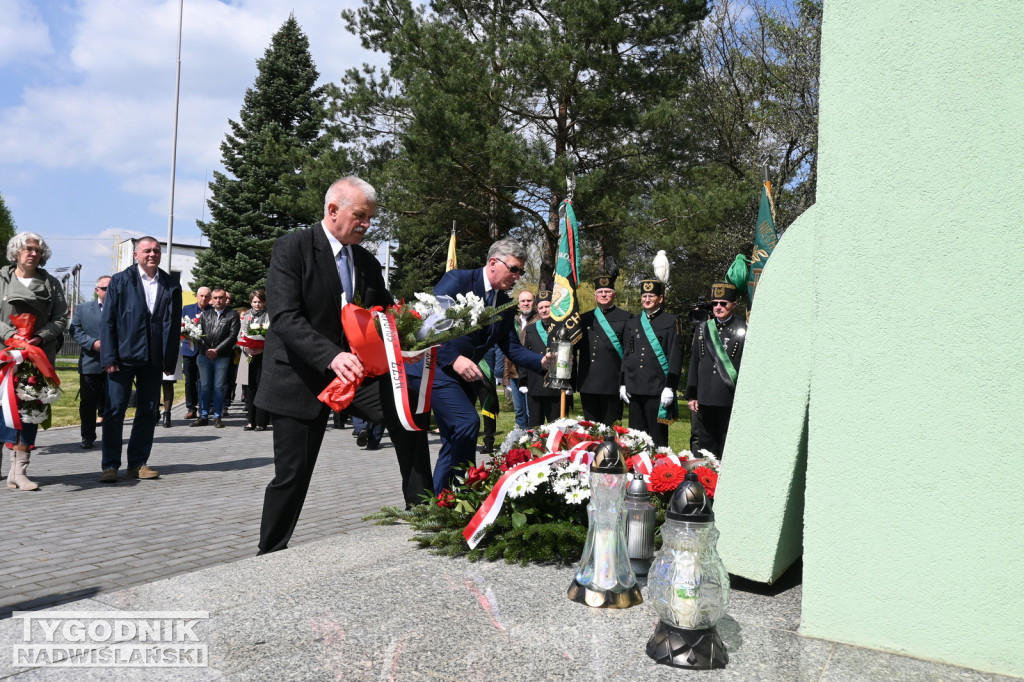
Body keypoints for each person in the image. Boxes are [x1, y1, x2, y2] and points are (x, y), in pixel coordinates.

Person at [256, 176, 433, 554]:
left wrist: (408, 345)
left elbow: (386, 313)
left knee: (409, 414)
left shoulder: (366, 261)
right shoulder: (293, 248)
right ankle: (268, 553)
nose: (366, 225)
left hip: (356, 375)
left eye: (370, 218)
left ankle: (423, 514)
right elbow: (285, 317)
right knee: (292, 475)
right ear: (333, 210)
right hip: (300, 377)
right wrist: (331, 356)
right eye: (360, 216)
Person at [430, 238, 549, 493]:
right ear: (494, 262)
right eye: (514, 269)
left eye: (521, 271)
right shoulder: (458, 281)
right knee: (467, 424)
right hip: (438, 371)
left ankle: (440, 498)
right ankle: (465, 489)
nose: (517, 276)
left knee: (454, 440)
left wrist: (541, 361)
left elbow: (513, 348)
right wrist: (454, 358)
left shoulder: (504, 303)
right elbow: (430, 323)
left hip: (465, 379)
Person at [100, 236, 182, 483]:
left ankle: (138, 463)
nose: (152, 254)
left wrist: (168, 360)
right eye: (147, 250)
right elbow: (109, 321)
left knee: (148, 411)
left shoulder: (170, 284)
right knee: (114, 411)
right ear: (136, 255)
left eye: (156, 250)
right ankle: (110, 465)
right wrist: (109, 356)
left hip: (153, 359)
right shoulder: (120, 281)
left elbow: (173, 324)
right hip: (122, 358)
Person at [0, 233, 68, 490]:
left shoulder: (51, 283)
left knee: (30, 411)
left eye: (37, 250)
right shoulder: (2, 278)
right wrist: (11, 336)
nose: (33, 253)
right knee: (3, 410)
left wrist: (38, 338)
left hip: (36, 359)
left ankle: (19, 471)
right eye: (27, 249)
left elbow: (61, 318)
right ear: (16, 252)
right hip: (4, 357)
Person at [685, 282, 747, 458]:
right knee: (706, 444)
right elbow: (695, 361)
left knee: (727, 443)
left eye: (723, 303)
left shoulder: (744, 328)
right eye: (715, 303)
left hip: (728, 397)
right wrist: (692, 394)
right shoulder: (703, 327)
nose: (718, 307)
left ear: (734, 305)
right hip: (705, 396)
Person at [619, 278, 682, 448]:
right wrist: (623, 383)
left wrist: (670, 386)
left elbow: (675, 355)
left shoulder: (671, 321)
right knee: (635, 437)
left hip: (657, 388)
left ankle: (658, 471)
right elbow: (627, 354)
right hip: (635, 386)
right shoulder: (633, 322)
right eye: (644, 296)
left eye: (651, 296)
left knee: (657, 438)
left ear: (660, 299)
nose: (647, 299)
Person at [576, 274, 631, 426]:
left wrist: (625, 382)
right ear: (595, 295)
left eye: (607, 291)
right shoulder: (584, 318)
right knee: (590, 431)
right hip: (588, 383)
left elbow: (628, 354)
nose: (604, 295)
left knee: (610, 431)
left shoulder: (626, 318)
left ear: (614, 294)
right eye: (600, 292)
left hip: (612, 384)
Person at [519, 290, 572, 426]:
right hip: (535, 383)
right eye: (541, 308)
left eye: (547, 307)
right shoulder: (530, 329)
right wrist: (523, 382)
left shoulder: (563, 328)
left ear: (553, 308)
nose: (544, 310)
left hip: (556, 386)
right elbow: (525, 355)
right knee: (535, 426)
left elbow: (570, 357)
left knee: (556, 426)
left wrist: (571, 383)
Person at [70, 275, 111, 449]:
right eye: (105, 289)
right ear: (97, 290)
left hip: (115, 363)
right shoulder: (83, 308)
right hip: (90, 362)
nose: (109, 292)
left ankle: (111, 435)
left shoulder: (123, 308)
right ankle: (87, 435)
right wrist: (92, 343)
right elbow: (75, 330)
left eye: (112, 289)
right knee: (88, 402)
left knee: (114, 401)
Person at [190, 288, 240, 428]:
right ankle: (203, 416)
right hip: (204, 356)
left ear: (225, 299)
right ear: (211, 300)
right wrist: (208, 350)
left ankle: (217, 416)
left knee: (218, 387)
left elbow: (232, 336)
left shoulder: (232, 315)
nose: (218, 300)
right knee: (204, 386)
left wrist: (216, 350)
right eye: (216, 298)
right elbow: (197, 334)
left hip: (222, 356)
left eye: (221, 298)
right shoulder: (205, 315)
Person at [502, 289, 535, 429]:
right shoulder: (512, 321)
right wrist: (505, 378)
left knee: (531, 410)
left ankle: (532, 440)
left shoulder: (539, 320)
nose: (526, 304)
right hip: (515, 372)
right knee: (519, 411)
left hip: (532, 372)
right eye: (523, 301)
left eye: (529, 300)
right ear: (518, 303)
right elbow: (506, 350)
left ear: (534, 302)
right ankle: (519, 440)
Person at [239, 289, 270, 431]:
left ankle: (261, 422)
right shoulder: (246, 316)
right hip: (249, 356)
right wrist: (247, 348)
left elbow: (271, 335)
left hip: (263, 355)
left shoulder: (269, 315)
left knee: (261, 387)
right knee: (249, 387)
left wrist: (262, 349)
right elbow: (240, 335)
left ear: (264, 302)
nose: (257, 304)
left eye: (259, 302)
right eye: (254, 302)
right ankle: (250, 421)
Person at [181, 287, 211, 419]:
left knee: (203, 381)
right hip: (189, 350)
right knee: (190, 380)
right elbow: (181, 326)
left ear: (210, 298)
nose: (203, 299)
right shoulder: (187, 309)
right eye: (201, 296)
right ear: (197, 296)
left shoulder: (212, 311)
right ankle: (191, 407)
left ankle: (203, 407)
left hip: (205, 351)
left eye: (206, 296)